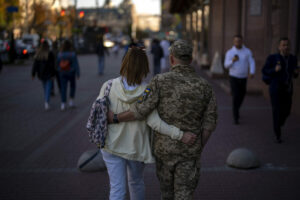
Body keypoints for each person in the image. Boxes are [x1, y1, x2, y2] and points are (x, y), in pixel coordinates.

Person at [108, 40, 218, 199]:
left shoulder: (159, 81)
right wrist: (199, 145)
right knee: (185, 194)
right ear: (191, 59)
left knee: (166, 194)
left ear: (172, 58)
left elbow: (140, 110)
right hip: (190, 149)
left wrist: (116, 117)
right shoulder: (205, 86)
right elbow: (210, 122)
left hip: (164, 150)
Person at [98, 47, 196, 200]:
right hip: (135, 147)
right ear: (144, 67)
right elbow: (155, 123)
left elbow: (100, 114)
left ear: (124, 63)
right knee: (136, 183)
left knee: (117, 190)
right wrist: (181, 135)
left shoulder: (108, 86)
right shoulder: (147, 91)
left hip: (110, 145)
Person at [262, 37, 299, 143]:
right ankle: (277, 134)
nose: (286, 47)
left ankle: (279, 123)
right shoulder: (272, 58)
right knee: (276, 110)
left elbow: (295, 75)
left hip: (287, 88)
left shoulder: (293, 58)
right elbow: (265, 70)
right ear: (279, 47)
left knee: (287, 110)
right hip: (276, 88)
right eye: (283, 45)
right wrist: (274, 69)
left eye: (287, 45)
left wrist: (296, 72)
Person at [224, 35, 255, 124]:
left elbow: (252, 62)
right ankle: (235, 116)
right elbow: (226, 65)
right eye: (236, 41)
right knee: (235, 96)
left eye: (239, 41)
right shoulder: (230, 52)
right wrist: (232, 61)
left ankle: (237, 108)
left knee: (242, 95)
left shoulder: (247, 51)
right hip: (233, 77)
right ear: (233, 42)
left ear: (242, 41)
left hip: (243, 77)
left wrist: (252, 72)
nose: (238, 43)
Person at [31, 41, 56, 110]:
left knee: (45, 87)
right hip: (49, 73)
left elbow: (35, 65)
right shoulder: (50, 53)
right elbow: (53, 65)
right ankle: (46, 101)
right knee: (48, 88)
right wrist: (54, 73)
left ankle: (46, 100)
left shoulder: (38, 54)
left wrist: (33, 74)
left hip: (41, 74)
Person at [57, 40, 80, 111]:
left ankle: (63, 103)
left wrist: (59, 70)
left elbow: (57, 64)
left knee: (63, 88)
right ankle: (71, 101)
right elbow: (76, 64)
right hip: (71, 72)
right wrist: (78, 73)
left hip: (62, 73)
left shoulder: (60, 54)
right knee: (72, 86)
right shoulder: (72, 54)